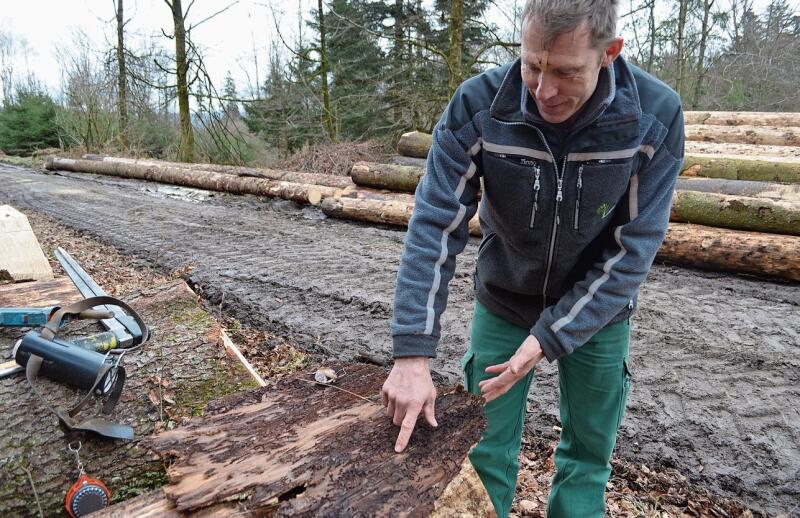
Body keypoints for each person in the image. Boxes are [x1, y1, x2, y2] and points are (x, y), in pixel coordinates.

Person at [381, 0, 684, 516]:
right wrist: (412, 352)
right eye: (531, 65)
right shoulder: (478, 107)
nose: (543, 91)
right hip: (503, 299)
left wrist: (550, 337)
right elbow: (434, 225)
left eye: (565, 71)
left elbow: (633, 251)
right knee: (482, 450)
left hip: (600, 313)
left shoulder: (653, 118)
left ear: (610, 53)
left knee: (588, 456)